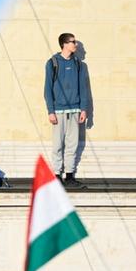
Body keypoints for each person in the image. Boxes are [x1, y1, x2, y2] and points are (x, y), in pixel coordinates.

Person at [44, 32, 92, 188]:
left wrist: (83, 109)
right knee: (58, 144)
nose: (75, 45)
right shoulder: (52, 63)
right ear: (64, 44)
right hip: (58, 111)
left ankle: (70, 175)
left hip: (75, 109)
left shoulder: (79, 64)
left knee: (73, 144)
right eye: (73, 42)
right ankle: (56, 175)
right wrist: (50, 111)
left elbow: (84, 89)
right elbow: (47, 89)